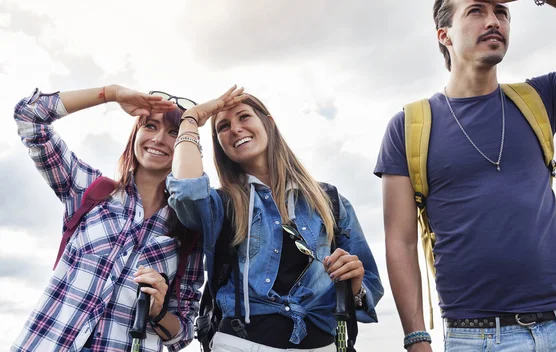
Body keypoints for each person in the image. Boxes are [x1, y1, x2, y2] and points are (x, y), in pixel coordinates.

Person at [374, 0, 556, 352]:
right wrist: (416, 339)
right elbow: (400, 241)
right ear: (443, 35)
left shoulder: (540, 99)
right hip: (478, 337)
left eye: (502, 12)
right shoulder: (409, 127)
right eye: (476, 11)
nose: (493, 21)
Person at [167, 87, 384, 351]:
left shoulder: (330, 200)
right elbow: (187, 190)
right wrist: (190, 119)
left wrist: (356, 285)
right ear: (220, 144)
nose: (235, 129)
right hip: (241, 343)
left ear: (268, 122)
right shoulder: (221, 204)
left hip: (325, 344)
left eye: (244, 117)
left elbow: (369, 285)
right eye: (223, 126)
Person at [12, 85, 203, 351]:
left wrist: (158, 311)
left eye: (174, 133)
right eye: (150, 126)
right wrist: (111, 94)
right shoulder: (87, 189)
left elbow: (182, 334)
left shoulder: (189, 229)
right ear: (135, 133)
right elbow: (30, 116)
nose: (159, 139)